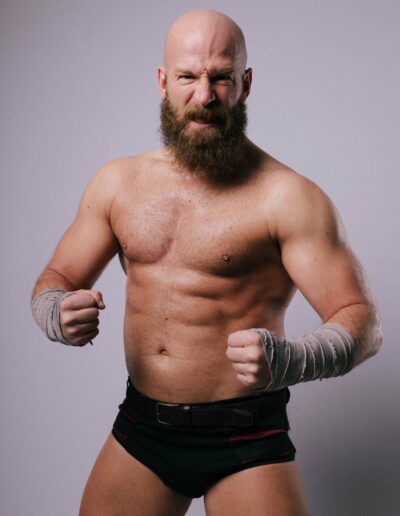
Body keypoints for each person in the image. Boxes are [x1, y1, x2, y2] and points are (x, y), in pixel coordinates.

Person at [31, 8, 382, 516]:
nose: (204, 96)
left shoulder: (289, 198)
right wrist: (55, 313)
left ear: (245, 83)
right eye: (187, 77)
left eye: (220, 77)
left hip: (248, 436)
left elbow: (363, 322)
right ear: (162, 81)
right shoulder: (117, 184)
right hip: (144, 429)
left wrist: (293, 360)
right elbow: (57, 278)